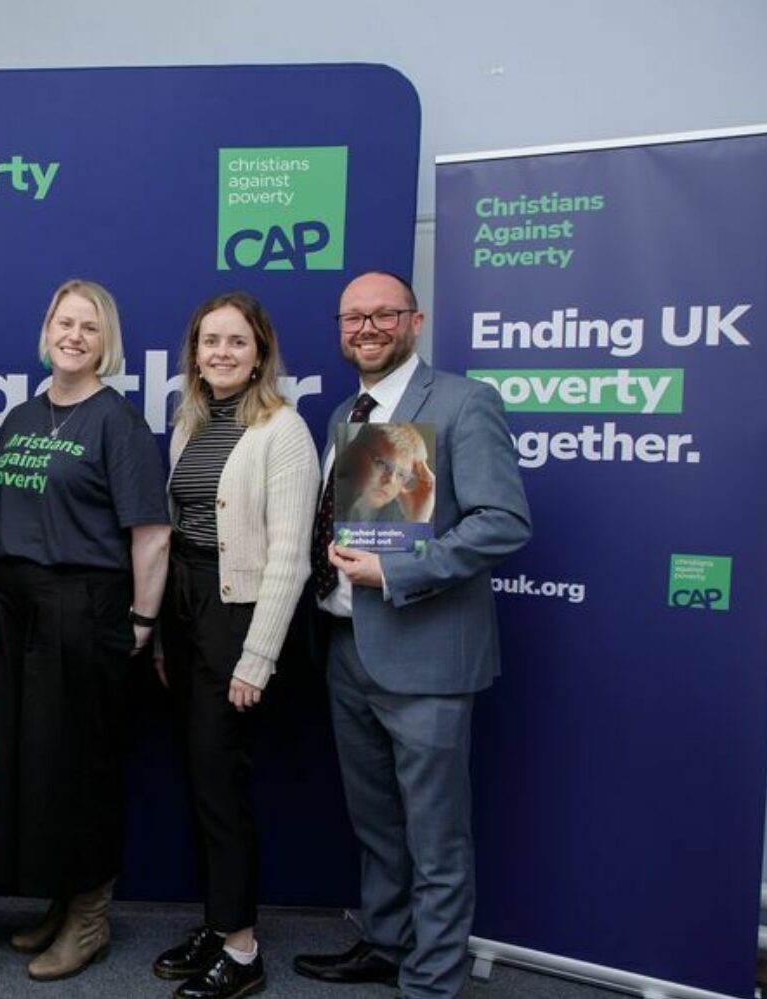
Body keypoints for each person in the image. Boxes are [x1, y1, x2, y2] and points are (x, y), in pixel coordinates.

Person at [295, 271, 530, 999]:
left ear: (415, 321)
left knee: (435, 835)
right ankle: (389, 943)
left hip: (426, 653)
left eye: (383, 315)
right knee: (376, 824)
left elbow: (503, 522)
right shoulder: (345, 416)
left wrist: (396, 570)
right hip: (346, 649)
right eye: (353, 317)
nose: (367, 328)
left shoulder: (463, 403)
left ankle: (432, 979)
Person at [0, 279, 170, 982]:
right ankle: (62, 901)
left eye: (90, 328)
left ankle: (90, 916)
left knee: (84, 767)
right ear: (47, 330)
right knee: (39, 766)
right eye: (65, 322)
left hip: (86, 606)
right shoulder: (23, 416)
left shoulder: (117, 422)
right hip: (19, 607)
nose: (74, 336)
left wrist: (142, 624)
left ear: (106, 342)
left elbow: (150, 536)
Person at [153, 292, 319, 999]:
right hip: (186, 609)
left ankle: (243, 950)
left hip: (238, 615)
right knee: (198, 778)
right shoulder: (189, 422)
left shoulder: (284, 431)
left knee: (222, 784)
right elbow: (178, 529)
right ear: (195, 351)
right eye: (209, 341)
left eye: (236, 342)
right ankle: (219, 923)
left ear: (260, 354)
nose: (221, 352)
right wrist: (164, 632)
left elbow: (290, 556)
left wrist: (257, 658)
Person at [335, 422, 435, 525]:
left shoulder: (400, 516)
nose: (390, 481)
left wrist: (418, 520)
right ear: (354, 451)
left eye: (401, 474)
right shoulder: (329, 497)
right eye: (381, 464)